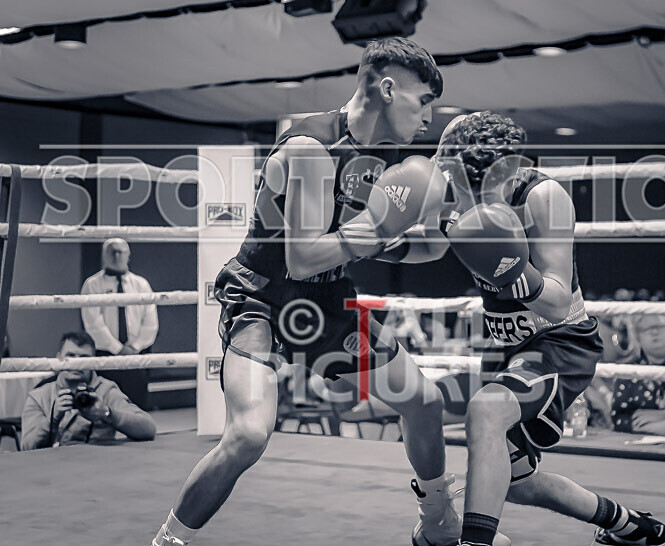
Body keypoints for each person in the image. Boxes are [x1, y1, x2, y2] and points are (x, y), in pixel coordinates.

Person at [152, 37, 493, 546]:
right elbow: (304, 255)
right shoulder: (310, 146)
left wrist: (445, 234)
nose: (429, 119)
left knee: (422, 400)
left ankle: (438, 520)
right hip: (261, 299)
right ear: (386, 87)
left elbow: (376, 249)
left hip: (325, 301)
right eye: (424, 101)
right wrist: (381, 226)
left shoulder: (381, 156)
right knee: (247, 435)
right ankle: (167, 540)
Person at [435, 111, 665, 545]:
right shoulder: (449, 190)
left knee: (487, 410)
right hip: (506, 346)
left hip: (559, 340)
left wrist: (510, 268)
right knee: (515, 479)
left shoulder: (542, 195)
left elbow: (559, 297)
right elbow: (425, 249)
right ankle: (629, 525)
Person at [21, 332, 156, 450]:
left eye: (84, 357)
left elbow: (148, 429)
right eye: (70, 356)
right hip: (51, 466)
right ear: (59, 358)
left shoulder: (106, 390)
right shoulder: (39, 396)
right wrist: (52, 420)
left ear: (93, 360)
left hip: (97, 466)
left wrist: (107, 413)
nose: (76, 363)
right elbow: (27, 447)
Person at [81, 238, 159, 407]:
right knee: (106, 402)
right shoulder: (92, 285)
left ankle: (137, 432)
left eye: (120, 251)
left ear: (128, 255)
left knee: (137, 403)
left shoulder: (141, 284)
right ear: (104, 255)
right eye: (112, 251)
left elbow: (151, 321)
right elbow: (93, 322)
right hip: (106, 353)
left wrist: (134, 347)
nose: (116, 255)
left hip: (137, 353)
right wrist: (118, 349)